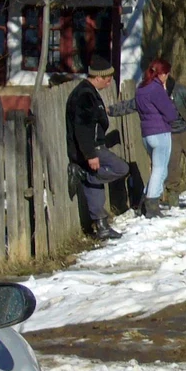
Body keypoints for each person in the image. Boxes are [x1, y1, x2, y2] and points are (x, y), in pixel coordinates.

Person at [109, 75, 186, 211]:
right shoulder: (151, 93)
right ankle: (174, 205)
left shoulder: (180, 91)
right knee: (171, 170)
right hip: (168, 135)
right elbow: (132, 104)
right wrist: (111, 110)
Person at [66, 55, 129, 240]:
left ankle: (101, 227)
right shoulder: (85, 95)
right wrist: (90, 154)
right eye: (108, 80)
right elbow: (83, 127)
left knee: (96, 186)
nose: (109, 84)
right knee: (121, 168)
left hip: (90, 149)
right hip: (93, 148)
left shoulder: (88, 92)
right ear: (99, 77)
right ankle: (84, 174)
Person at [134, 58, 180, 218]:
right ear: (161, 74)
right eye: (166, 73)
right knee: (160, 170)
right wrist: (167, 95)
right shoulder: (156, 89)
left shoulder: (140, 89)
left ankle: (143, 204)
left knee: (159, 170)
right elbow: (170, 113)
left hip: (146, 134)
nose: (167, 76)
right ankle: (152, 206)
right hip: (160, 132)